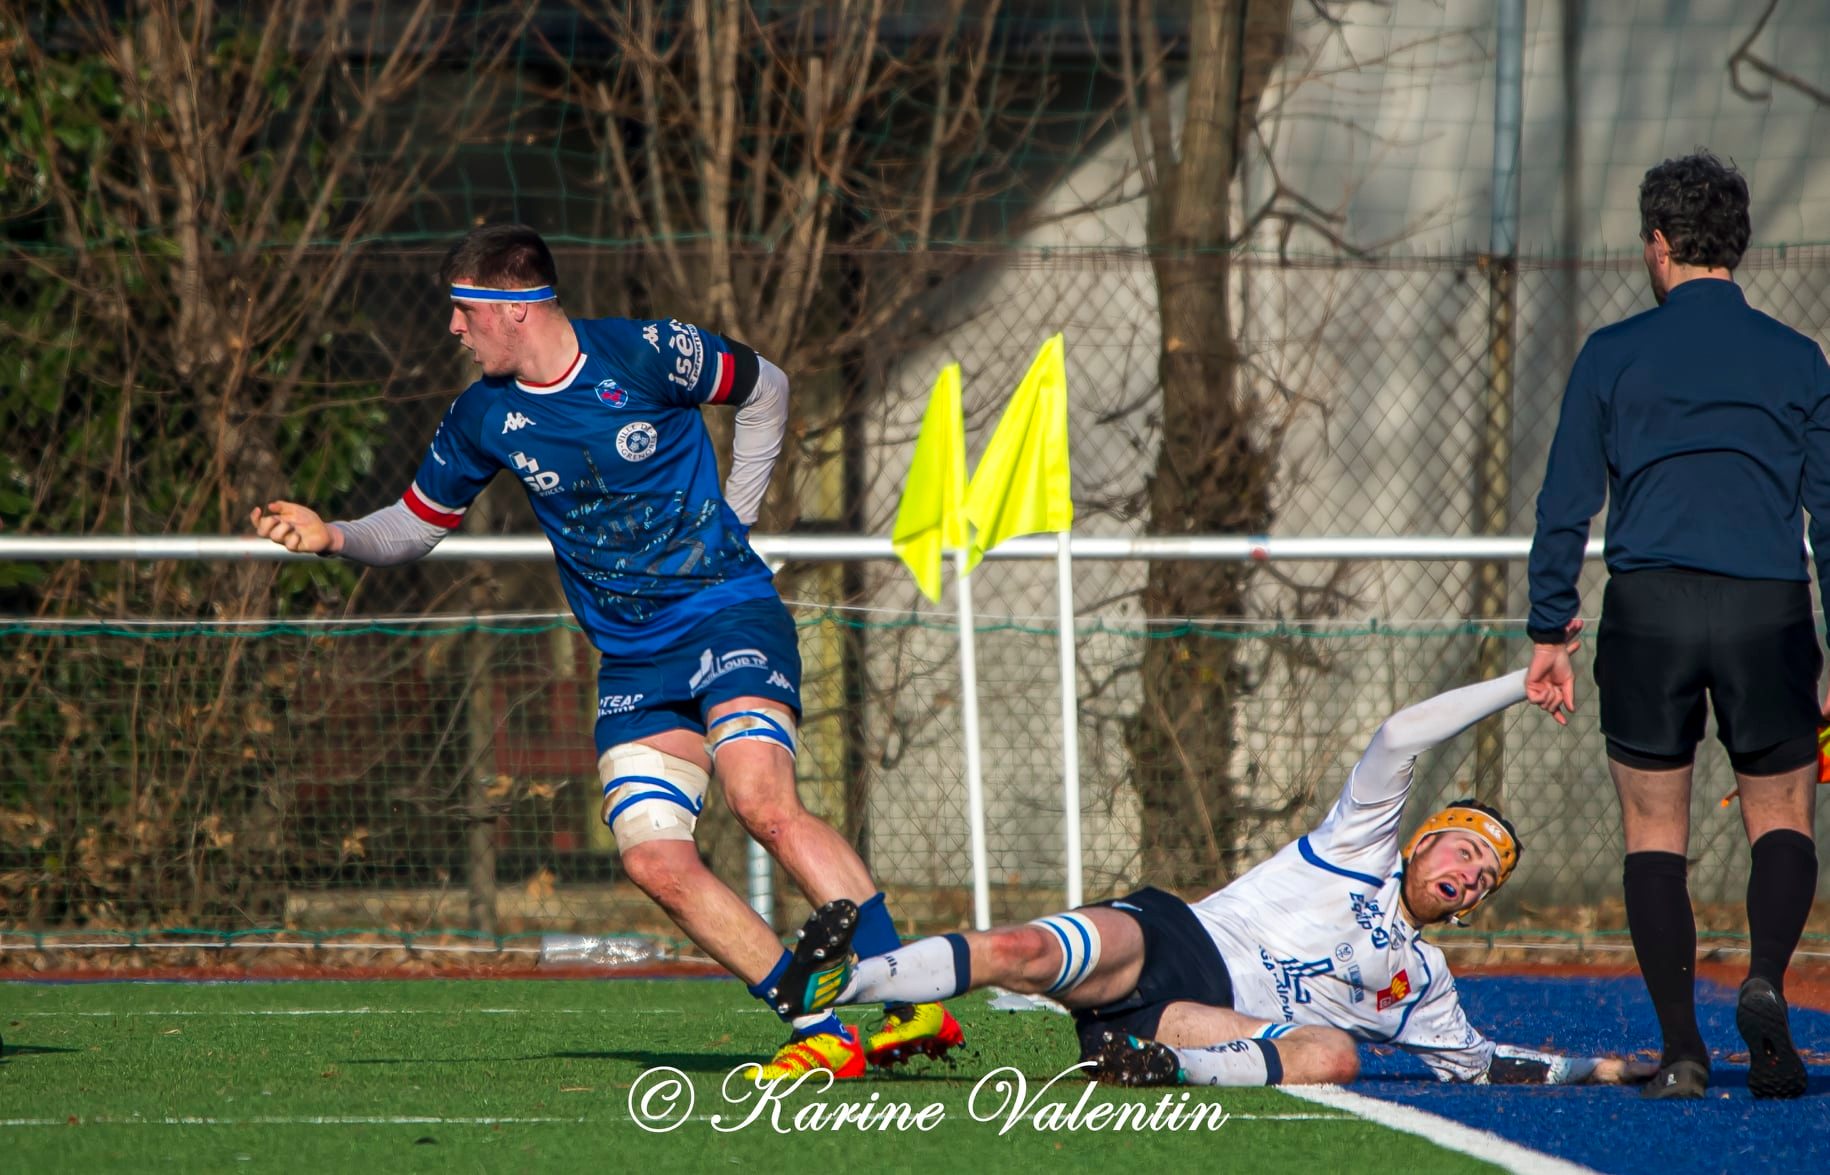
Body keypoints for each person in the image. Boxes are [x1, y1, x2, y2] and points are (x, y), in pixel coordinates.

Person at [250, 224, 961, 1079]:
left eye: (462, 310)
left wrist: (739, 514)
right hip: (631, 659)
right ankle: (818, 1024)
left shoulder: (649, 353)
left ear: (514, 311)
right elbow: (413, 525)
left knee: (761, 800)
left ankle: (911, 1000)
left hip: (726, 613)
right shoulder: (484, 413)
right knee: (652, 860)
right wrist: (332, 534)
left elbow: (766, 388)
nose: (452, 328)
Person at [776, 663, 1654, 1089]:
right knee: (1023, 947)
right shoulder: (1358, 843)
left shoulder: (1424, 982)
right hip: (1175, 937)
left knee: (1334, 1053)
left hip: (1199, 1020)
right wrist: (1521, 680)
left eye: (1486, 875)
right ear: (1422, 842)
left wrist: (1600, 1070)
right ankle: (840, 979)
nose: (1470, 873)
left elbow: (1483, 1064)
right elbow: (1400, 735)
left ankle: (1147, 1066)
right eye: (1464, 848)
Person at [1525, 151, 1830, 1100]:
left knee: (1655, 831)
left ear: (1659, 245)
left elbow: (1564, 501)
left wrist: (1549, 627)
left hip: (1651, 609)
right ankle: (1768, 978)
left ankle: (1683, 1049)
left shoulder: (1613, 354)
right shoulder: (1798, 357)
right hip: (1765, 605)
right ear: (1736, 244)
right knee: (1782, 815)